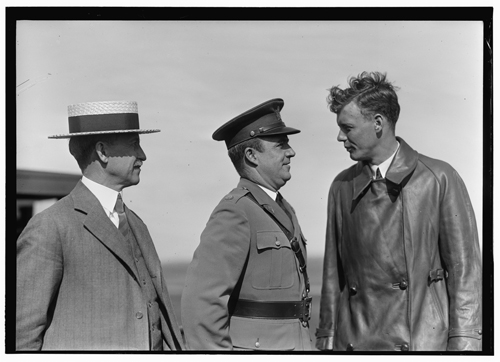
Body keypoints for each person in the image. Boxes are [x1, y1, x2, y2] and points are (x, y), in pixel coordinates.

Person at [315, 72, 482, 351]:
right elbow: (334, 277)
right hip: (355, 343)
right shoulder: (341, 186)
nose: (339, 136)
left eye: (348, 127)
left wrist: (465, 342)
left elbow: (465, 270)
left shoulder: (438, 177)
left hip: (422, 344)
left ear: (378, 123)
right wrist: (326, 343)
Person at [16, 100, 184, 351]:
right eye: (134, 144)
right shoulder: (50, 226)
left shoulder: (137, 224)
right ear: (103, 152)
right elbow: (22, 337)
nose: (143, 155)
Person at [181, 98, 312, 350]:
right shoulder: (236, 211)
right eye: (281, 145)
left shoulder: (283, 208)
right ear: (251, 156)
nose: (291, 152)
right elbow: (201, 304)